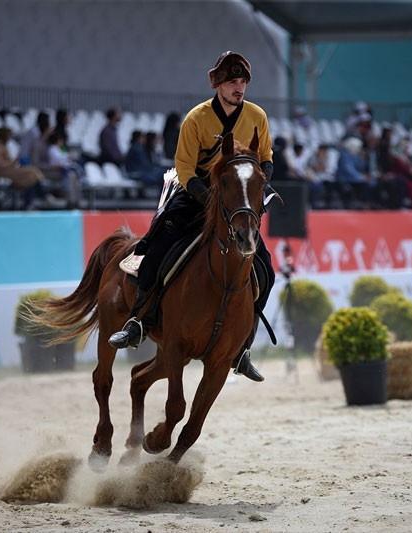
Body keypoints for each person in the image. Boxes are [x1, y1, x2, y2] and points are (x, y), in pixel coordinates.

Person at [108, 51, 275, 383]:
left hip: (236, 200)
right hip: (196, 193)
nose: (238, 88)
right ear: (217, 84)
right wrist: (206, 196)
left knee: (265, 268)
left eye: (242, 82)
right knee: (157, 246)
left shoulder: (257, 116)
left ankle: (242, 346)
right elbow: (184, 168)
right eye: (232, 82)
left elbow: (266, 157)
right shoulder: (196, 118)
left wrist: (259, 186)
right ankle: (139, 320)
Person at [0, 127, 46, 209]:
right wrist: (12, 163)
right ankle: (42, 194)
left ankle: (29, 202)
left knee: (31, 176)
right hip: (3, 171)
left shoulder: (4, 145)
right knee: (31, 171)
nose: (10, 137)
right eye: (9, 135)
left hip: (9, 169)